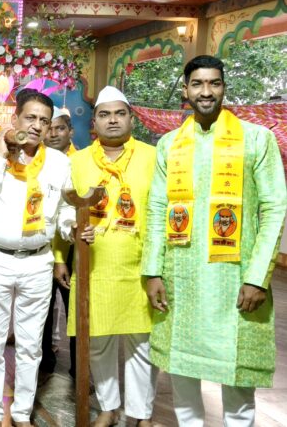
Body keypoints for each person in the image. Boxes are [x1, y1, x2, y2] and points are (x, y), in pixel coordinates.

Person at [142, 55, 286, 426]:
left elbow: (274, 208)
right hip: (182, 278)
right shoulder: (170, 144)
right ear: (185, 89)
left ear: (223, 87)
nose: (206, 92)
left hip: (236, 279)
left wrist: (257, 276)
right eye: (198, 84)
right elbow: (157, 209)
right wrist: (152, 271)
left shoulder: (256, 139)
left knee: (237, 384)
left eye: (214, 83)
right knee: (183, 378)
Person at [0, 89, 76, 427]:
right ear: (15, 119)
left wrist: (71, 226)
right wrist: (1, 157)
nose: (37, 126)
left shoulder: (59, 162)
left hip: (38, 261)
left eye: (44, 120)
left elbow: (66, 208)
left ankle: (22, 413)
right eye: (30, 117)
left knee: (30, 345)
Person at [56, 86, 158, 427]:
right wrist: (65, 246)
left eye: (119, 113)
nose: (112, 120)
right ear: (94, 123)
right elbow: (63, 208)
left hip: (142, 266)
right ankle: (108, 408)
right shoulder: (77, 161)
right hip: (94, 265)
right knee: (97, 341)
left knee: (141, 344)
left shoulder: (153, 157)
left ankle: (141, 414)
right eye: (104, 114)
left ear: (131, 119)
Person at [42, 106, 77, 378]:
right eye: (50, 128)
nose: (54, 134)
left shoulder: (82, 162)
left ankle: (80, 366)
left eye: (60, 128)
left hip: (73, 250)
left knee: (74, 308)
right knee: (42, 310)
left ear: (70, 132)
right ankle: (44, 362)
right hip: (42, 249)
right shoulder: (37, 162)